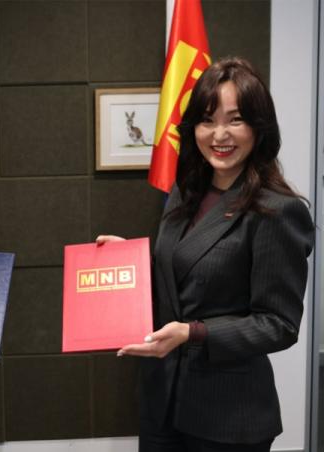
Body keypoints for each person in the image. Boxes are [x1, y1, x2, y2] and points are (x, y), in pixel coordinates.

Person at [98, 57, 314, 451]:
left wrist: (193, 333)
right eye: (207, 120)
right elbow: (182, 277)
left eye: (235, 120)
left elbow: (278, 324)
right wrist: (129, 264)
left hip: (228, 417)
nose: (219, 135)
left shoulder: (277, 210)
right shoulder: (185, 191)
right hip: (163, 403)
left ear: (259, 127)